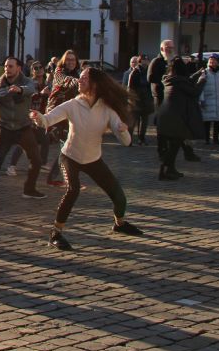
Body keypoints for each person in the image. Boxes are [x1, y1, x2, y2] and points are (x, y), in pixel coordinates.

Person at [29, 66, 143, 251]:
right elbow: (48, 119)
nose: (79, 81)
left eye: (83, 78)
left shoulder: (107, 109)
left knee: (119, 197)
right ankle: (55, 233)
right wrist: (38, 117)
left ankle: (120, 224)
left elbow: (126, 141)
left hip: (93, 159)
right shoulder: (73, 104)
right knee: (73, 190)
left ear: (95, 84)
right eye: (79, 78)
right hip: (70, 156)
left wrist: (123, 131)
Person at [0, 57, 43, 204]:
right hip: (5, 127)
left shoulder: (26, 81)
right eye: (6, 66)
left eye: (11, 66)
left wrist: (19, 90)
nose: (7, 69)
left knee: (37, 159)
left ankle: (29, 189)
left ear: (18, 68)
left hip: (23, 126)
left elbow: (31, 89)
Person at [148, 39, 201, 162]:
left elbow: (185, 77)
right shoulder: (156, 62)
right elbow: (150, 78)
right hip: (161, 99)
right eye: (167, 48)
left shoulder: (176, 61)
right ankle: (162, 152)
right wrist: (167, 80)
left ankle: (188, 152)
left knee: (181, 126)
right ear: (162, 49)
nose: (170, 49)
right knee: (162, 128)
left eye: (172, 47)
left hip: (176, 99)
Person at [156, 57, 203, 180]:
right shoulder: (179, 81)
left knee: (173, 144)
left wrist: (197, 74)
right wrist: (202, 80)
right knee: (174, 145)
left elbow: (186, 82)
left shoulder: (170, 79)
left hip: (165, 116)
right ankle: (165, 170)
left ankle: (169, 169)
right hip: (176, 118)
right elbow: (194, 92)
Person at [42, 51, 81, 187]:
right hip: (56, 113)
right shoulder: (59, 72)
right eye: (68, 60)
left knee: (67, 148)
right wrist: (79, 82)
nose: (71, 62)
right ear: (64, 61)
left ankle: (58, 178)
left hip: (69, 115)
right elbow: (67, 81)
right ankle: (62, 179)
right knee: (66, 147)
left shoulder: (77, 74)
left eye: (73, 60)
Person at [9, 61, 52, 175]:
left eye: (40, 67)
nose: (38, 70)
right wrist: (41, 94)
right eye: (35, 68)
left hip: (41, 116)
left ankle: (42, 163)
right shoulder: (29, 83)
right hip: (28, 115)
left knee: (45, 139)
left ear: (44, 69)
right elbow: (27, 97)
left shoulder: (47, 83)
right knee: (23, 142)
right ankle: (11, 166)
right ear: (32, 71)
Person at [197, 54, 219, 145]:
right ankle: (206, 138)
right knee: (207, 121)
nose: (212, 62)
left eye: (214, 60)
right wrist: (201, 99)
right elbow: (200, 87)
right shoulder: (205, 72)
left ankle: (216, 138)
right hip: (208, 99)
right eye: (210, 60)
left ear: (218, 62)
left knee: (218, 120)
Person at [123, 56, 154, 146]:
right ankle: (129, 139)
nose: (146, 63)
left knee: (144, 121)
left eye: (147, 61)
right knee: (132, 121)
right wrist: (131, 100)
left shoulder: (148, 72)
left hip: (146, 100)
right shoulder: (134, 72)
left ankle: (142, 138)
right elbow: (129, 88)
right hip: (136, 100)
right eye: (144, 61)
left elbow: (150, 85)